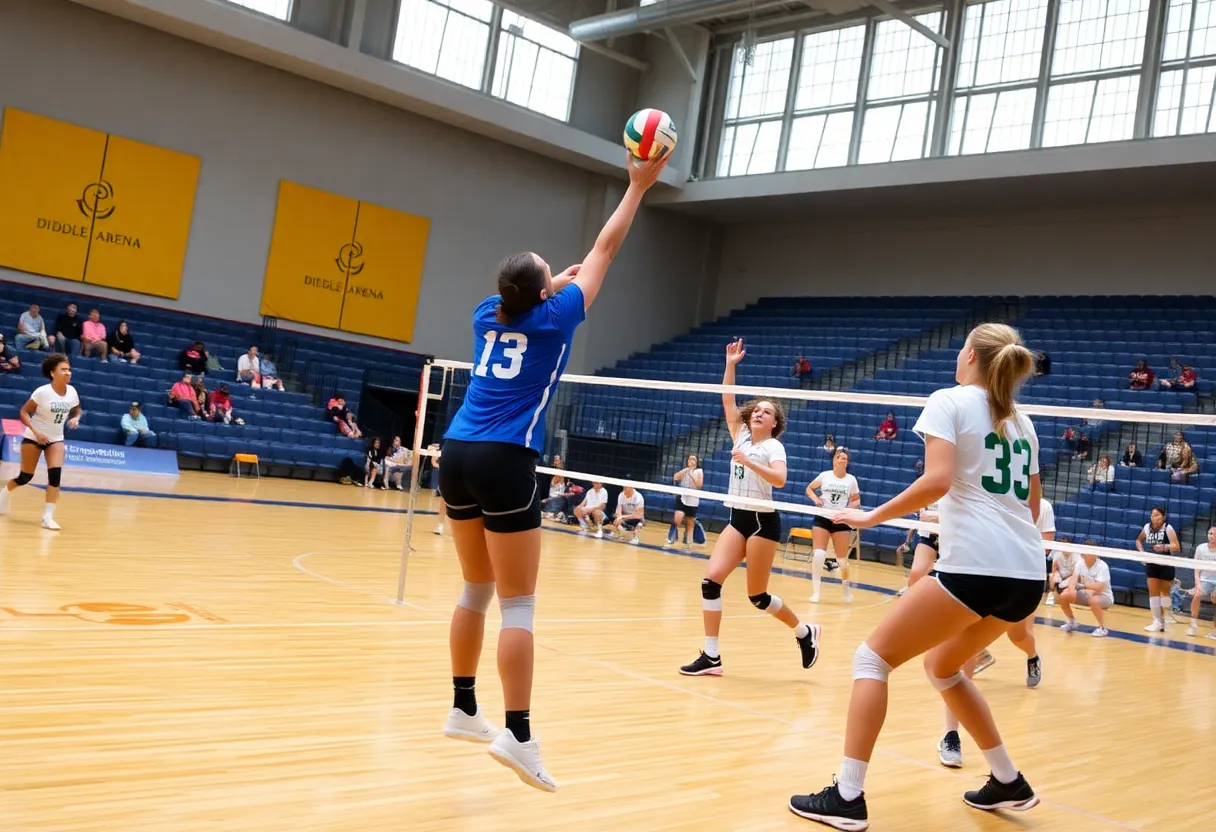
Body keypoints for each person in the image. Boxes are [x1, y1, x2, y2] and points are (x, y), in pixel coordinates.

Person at [436, 150, 668, 793]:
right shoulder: (560, 317)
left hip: (454, 453)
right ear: (546, 294)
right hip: (506, 457)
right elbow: (606, 246)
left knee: (474, 590)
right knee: (519, 606)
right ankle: (519, 734)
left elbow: (543, 284)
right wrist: (637, 187)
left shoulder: (489, 312)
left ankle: (462, 706)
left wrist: (551, 280)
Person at [788, 323, 1043, 828]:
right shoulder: (1022, 421)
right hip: (1028, 573)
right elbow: (1031, 507)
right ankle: (1007, 780)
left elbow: (938, 480)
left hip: (978, 567)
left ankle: (847, 796)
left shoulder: (948, 400)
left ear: (969, 354)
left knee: (871, 658)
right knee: (944, 667)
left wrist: (871, 516)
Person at [679, 338, 821, 678]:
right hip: (737, 518)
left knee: (757, 596)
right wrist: (731, 364)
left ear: (775, 423)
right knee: (710, 582)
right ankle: (712, 656)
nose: (758, 412)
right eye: (756, 409)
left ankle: (804, 632)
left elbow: (781, 480)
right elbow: (728, 399)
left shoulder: (774, 447)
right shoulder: (739, 434)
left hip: (763, 522)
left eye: (766, 412)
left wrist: (750, 462)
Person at [0, 354, 81, 530]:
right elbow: (23, 412)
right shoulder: (42, 392)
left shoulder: (72, 392)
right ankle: (5, 492)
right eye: (63, 369)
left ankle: (47, 517)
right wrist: (36, 433)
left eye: (69, 369)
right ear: (53, 373)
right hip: (33, 437)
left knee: (55, 476)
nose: (68, 372)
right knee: (25, 477)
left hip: (56, 439)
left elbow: (77, 410)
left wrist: (76, 418)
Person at [805, 447, 861, 603]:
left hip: (841, 520)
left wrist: (846, 510)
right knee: (818, 554)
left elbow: (857, 500)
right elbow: (809, 488)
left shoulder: (851, 480)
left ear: (847, 462)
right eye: (839, 457)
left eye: (844, 458)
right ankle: (816, 592)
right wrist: (816, 500)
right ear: (834, 460)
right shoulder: (825, 476)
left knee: (842, 560)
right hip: (823, 517)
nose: (842, 459)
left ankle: (846, 589)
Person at [1137, 507, 1181, 632]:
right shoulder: (1147, 528)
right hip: (1152, 563)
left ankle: (1167, 616)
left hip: (1166, 563)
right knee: (1153, 593)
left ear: (1163, 517)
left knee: (1164, 593)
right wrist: (1142, 553)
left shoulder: (1168, 528)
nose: (1155, 518)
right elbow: (1138, 540)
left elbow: (1176, 546)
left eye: (1158, 515)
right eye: (1153, 515)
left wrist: (1163, 547)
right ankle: (1157, 620)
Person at [1058, 546, 1113, 638]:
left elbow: (1099, 587)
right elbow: (1073, 579)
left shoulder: (1103, 566)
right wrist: (1071, 589)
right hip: (1086, 594)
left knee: (1094, 600)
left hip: (1104, 596)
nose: (1085, 554)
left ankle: (1101, 628)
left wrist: (1084, 586)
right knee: (1064, 595)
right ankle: (1072, 621)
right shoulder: (1080, 563)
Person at [666, 454, 703, 548]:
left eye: (694, 459)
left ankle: (689, 542)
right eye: (690, 459)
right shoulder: (684, 471)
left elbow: (699, 486)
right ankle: (671, 538)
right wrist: (687, 470)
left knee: (690, 522)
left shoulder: (699, 471)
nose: (691, 461)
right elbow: (675, 477)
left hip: (693, 499)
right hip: (682, 497)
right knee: (677, 518)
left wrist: (691, 475)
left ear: (697, 462)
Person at [1188, 526, 1216, 638]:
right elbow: (1196, 568)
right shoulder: (1200, 548)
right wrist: (1198, 584)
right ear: (1208, 534)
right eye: (1211, 534)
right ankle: (1193, 624)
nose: (1213, 536)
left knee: (1215, 597)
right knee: (1197, 595)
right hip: (1205, 580)